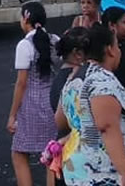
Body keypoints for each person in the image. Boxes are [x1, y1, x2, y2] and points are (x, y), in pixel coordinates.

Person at [62, 22, 125, 186]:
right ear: (110, 49)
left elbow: (69, 120)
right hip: (104, 175)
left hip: (83, 171)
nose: (119, 51)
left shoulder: (75, 77)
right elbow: (107, 127)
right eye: (117, 46)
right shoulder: (101, 82)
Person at [7, 2, 59, 186]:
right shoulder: (55, 40)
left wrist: (12, 115)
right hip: (53, 102)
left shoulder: (24, 45)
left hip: (31, 105)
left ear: (26, 19)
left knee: (19, 152)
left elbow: (21, 83)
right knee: (52, 154)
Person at [48, 27, 90, 185]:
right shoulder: (76, 81)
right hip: (76, 159)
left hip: (66, 155)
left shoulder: (60, 79)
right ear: (78, 53)